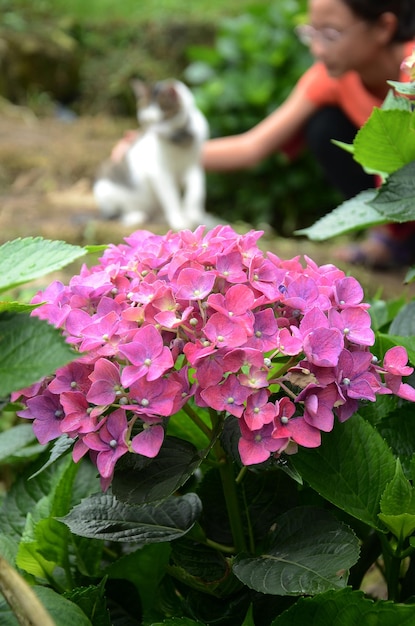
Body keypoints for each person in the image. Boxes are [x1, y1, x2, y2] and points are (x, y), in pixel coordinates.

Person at [201, 0, 415, 269]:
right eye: (311, 32)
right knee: (324, 127)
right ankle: (394, 237)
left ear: (384, 27)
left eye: (330, 34)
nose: (316, 48)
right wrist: (151, 151)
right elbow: (251, 146)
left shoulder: (412, 67)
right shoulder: (333, 77)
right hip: (401, 192)